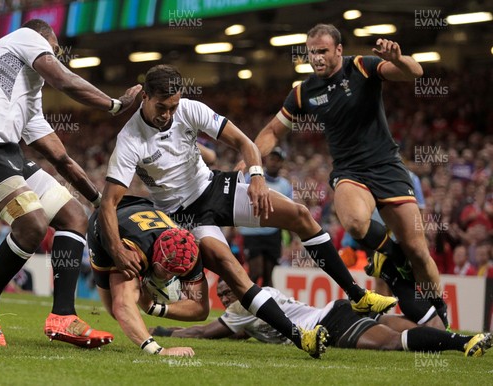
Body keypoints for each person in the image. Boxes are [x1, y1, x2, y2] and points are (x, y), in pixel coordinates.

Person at [98, 64, 397, 359]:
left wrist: (256, 176)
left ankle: (357, 296)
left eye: (172, 107)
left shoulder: (189, 109)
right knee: (236, 272)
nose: (167, 114)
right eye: (161, 107)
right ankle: (300, 337)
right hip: (183, 216)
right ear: (145, 98)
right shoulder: (129, 140)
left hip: (213, 187)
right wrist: (116, 250)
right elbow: (109, 202)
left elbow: (244, 142)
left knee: (300, 215)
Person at [0, 19, 141, 347]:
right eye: (54, 50)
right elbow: (64, 80)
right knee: (32, 224)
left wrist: (98, 202)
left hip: (4, 152)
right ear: (44, 40)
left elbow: (62, 160)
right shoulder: (25, 36)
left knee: (73, 216)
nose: (55, 56)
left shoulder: (29, 102)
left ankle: (62, 316)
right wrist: (116, 105)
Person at [247, 23, 449, 326]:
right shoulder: (303, 92)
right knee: (354, 222)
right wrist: (250, 162)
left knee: (419, 251)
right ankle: (393, 258)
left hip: (387, 167)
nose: (316, 58)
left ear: (338, 50)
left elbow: (415, 73)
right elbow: (273, 131)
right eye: (311, 52)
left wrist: (397, 58)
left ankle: (439, 310)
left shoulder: (361, 67)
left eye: (323, 51)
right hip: (350, 172)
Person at [150, 280, 492, 357]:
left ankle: (462, 342)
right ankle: (452, 333)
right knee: (398, 327)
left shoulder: (241, 309)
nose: (225, 297)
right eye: (222, 294)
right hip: (337, 309)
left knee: (391, 343)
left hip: (328, 324)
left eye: (228, 290)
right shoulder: (258, 294)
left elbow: (206, 331)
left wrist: (163, 327)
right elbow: (240, 334)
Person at [87, 196, 208, 357]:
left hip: (143, 208)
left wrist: (154, 308)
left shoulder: (188, 254)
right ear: (156, 257)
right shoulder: (134, 253)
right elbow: (122, 306)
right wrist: (158, 350)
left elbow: (201, 310)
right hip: (106, 227)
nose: (169, 277)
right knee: (114, 309)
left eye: (176, 274)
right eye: (167, 270)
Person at [238, 147, 292, 287]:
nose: (274, 162)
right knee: (256, 272)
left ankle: (266, 307)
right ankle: (246, 304)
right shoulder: (252, 178)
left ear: (282, 163)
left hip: (273, 233)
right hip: (251, 231)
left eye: (277, 160)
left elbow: (289, 211)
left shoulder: (285, 185)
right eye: (271, 159)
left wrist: (291, 237)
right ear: (265, 160)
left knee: (269, 277)